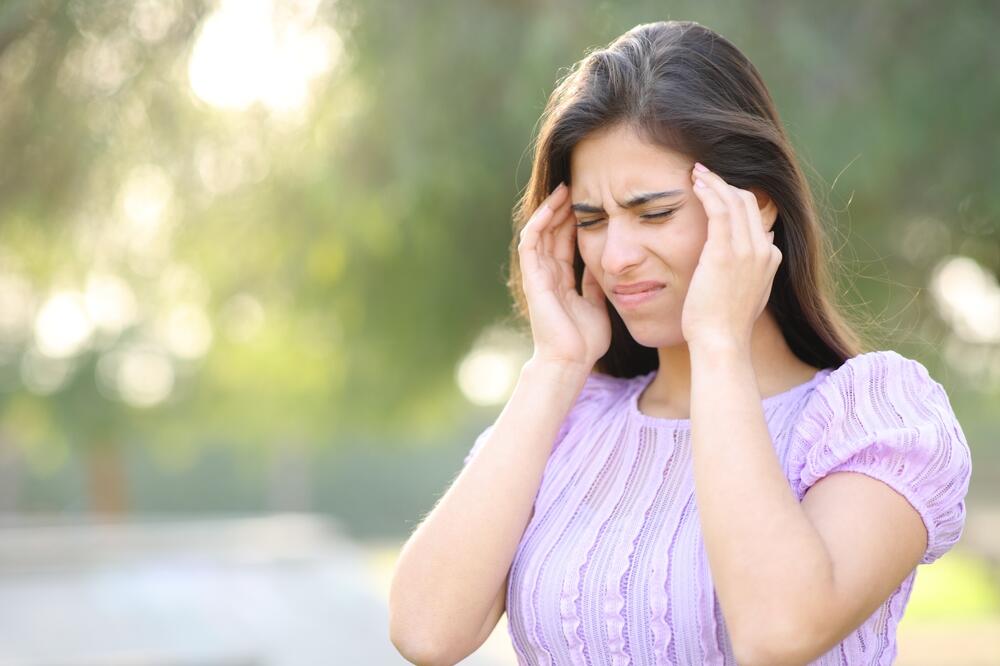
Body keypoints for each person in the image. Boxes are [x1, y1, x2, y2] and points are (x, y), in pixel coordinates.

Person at [389, 20, 972, 666]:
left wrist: (719, 344)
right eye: (592, 221)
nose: (616, 255)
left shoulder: (874, 419)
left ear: (755, 206)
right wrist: (556, 365)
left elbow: (778, 630)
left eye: (654, 213)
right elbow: (425, 631)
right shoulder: (572, 420)